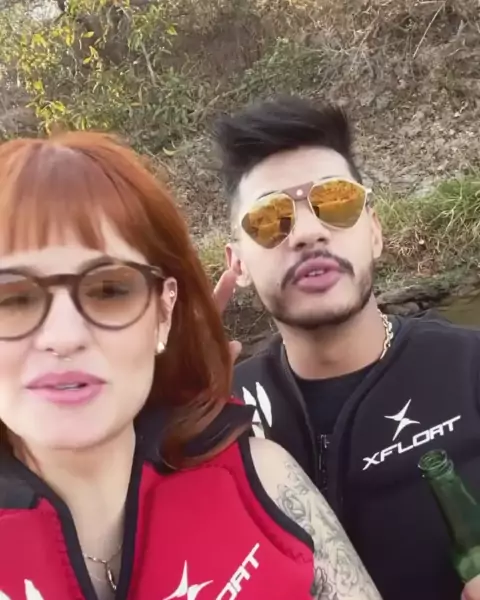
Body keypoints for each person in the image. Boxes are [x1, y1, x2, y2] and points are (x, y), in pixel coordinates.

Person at [0, 132, 380, 600]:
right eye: (11, 298)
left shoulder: (263, 480)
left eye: (109, 291)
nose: (63, 337)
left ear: (164, 313)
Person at [213, 96, 480, 600]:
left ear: (374, 232)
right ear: (238, 264)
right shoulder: (213, 419)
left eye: (335, 202)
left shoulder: (469, 369)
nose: (308, 233)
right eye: (269, 219)